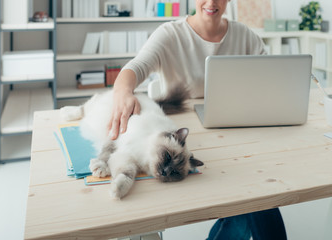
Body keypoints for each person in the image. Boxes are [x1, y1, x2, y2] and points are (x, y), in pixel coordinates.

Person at [108, 0, 287, 239]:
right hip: (186, 144)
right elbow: (136, 67)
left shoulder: (244, 35)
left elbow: (270, 76)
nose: (211, 2)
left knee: (257, 192)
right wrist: (122, 92)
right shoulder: (170, 34)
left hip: (236, 136)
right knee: (256, 198)